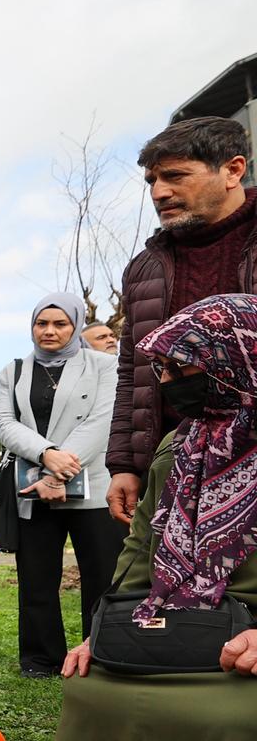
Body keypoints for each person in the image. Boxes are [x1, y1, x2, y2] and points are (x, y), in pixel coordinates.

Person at [34, 293, 257, 741]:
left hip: (247, 636)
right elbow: (140, 549)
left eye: (183, 372)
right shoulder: (180, 447)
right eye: (163, 374)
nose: (168, 388)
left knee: (240, 722)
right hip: (187, 621)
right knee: (98, 683)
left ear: (235, 362)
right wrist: (106, 628)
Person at [108, 117, 256, 528]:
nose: (159, 192)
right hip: (173, 465)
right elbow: (132, 373)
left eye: (175, 176)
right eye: (152, 180)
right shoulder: (145, 268)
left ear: (233, 170)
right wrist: (125, 464)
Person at [0, 293, 124, 678]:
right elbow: (4, 423)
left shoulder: (104, 366)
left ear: (75, 325)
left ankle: (100, 654)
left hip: (94, 488)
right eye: (41, 323)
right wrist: (47, 454)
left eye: (60, 323)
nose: (49, 331)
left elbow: (102, 422)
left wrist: (60, 470)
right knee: (36, 580)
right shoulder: (13, 371)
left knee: (102, 578)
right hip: (34, 490)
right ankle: (40, 660)